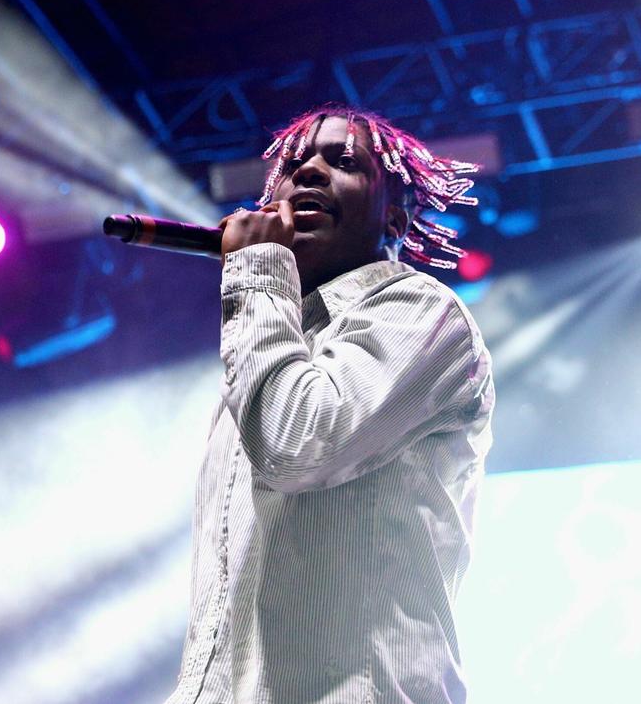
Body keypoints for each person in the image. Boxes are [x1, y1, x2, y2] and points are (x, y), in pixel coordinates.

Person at [164, 104, 494, 704]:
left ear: (392, 215)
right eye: (293, 164)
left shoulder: (420, 313)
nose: (310, 172)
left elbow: (297, 445)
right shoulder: (271, 348)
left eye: (344, 162)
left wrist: (259, 271)